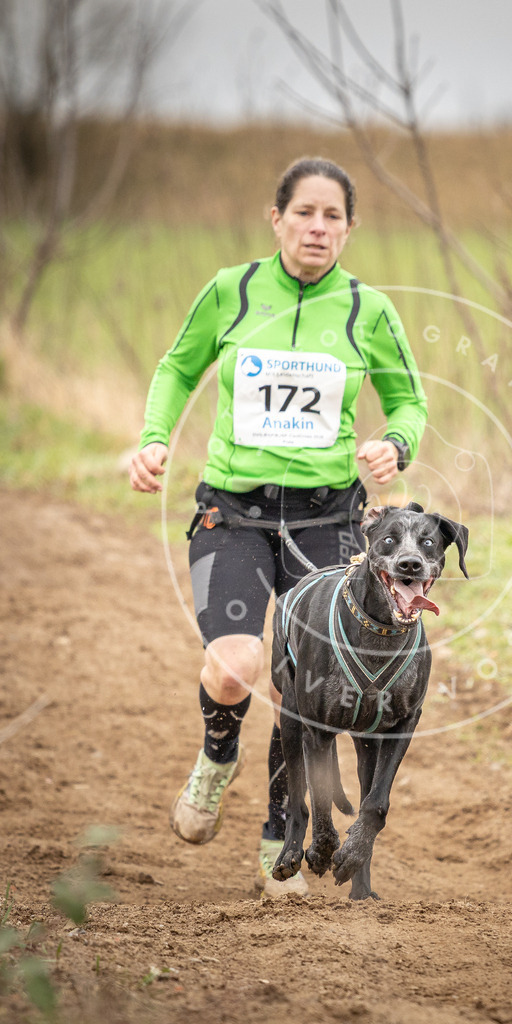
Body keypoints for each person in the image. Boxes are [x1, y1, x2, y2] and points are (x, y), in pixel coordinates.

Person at [129, 157, 427, 897]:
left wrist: (397, 445)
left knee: (307, 687)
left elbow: (408, 404)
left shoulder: (369, 310)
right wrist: (155, 436)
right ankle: (216, 757)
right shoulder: (231, 290)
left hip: (328, 524)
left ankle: (276, 835)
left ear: (349, 229)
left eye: (333, 217)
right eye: (304, 213)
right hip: (231, 510)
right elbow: (176, 367)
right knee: (235, 665)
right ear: (277, 219)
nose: (317, 228)